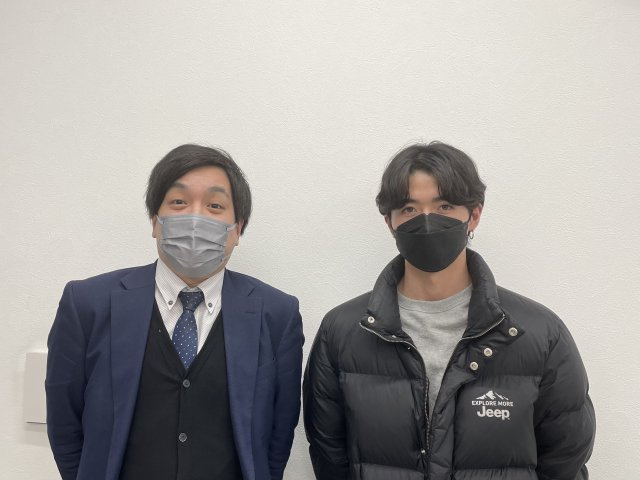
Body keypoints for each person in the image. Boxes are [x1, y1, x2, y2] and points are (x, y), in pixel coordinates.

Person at [303, 142, 595, 480]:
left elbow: (566, 458)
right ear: (389, 222)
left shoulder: (539, 334)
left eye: (445, 206)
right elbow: (329, 455)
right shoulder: (343, 332)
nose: (427, 221)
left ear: (474, 215)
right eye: (409, 209)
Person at [46, 144, 304, 480]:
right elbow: (64, 424)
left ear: (238, 229)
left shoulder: (278, 314)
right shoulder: (87, 304)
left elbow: (278, 434)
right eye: (179, 202)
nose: (195, 218)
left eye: (215, 205)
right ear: (156, 221)